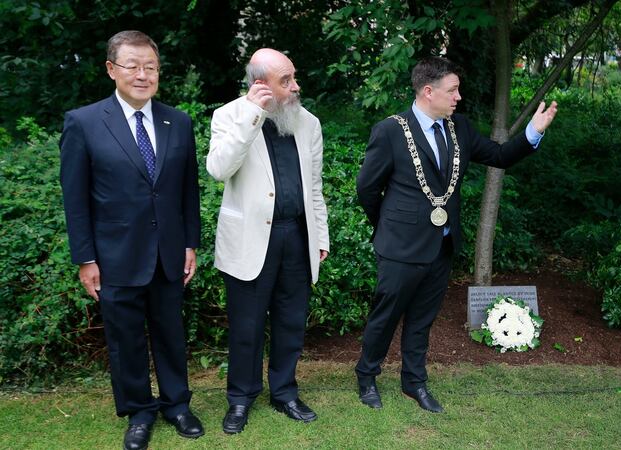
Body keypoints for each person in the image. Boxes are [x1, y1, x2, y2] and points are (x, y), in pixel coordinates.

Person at [355, 56, 558, 413]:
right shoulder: (390, 131)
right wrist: (388, 228)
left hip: (441, 245)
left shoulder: (458, 128)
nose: (458, 97)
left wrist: (534, 132)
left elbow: (499, 155)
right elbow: (367, 189)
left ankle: (413, 382)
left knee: (422, 319)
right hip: (400, 247)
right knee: (385, 317)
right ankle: (367, 377)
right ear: (428, 92)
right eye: (453, 90)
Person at [59, 30, 203, 450]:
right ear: (111, 70)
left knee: (171, 333)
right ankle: (139, 411)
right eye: (132, 66)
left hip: (169, 254)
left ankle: (177, 404)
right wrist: (86, 257)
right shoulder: (83, 122)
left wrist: (190, 243)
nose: (143, 75)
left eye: (151, 66)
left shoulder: (178, 121)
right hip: (114, 255)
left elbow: (186, 190)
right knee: (125, 339)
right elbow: (76, 198)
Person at [207, 48, 330, 432]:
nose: (296, 87)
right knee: (246, 325)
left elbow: (314, 186)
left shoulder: (307, 122)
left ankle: (285, 393)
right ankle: (240, 399)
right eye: (286, 81)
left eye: (293, 77)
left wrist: (321, 235)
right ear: (260, 84)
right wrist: (252, 115)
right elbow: (218, 169)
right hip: (248, 239)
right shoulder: (229, 115)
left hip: (297, 235)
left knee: (292, 321)